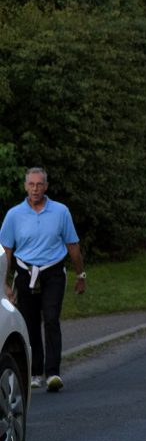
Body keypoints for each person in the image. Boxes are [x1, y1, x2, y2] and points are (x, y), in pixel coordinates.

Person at [1, 167, 86, 391]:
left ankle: (53, 373)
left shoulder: (60, 212)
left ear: (46, 187)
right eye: (31, 184)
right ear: (25, 187)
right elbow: (6, 251)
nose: (35, 189)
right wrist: (4, 283)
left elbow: (72, 245)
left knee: (50, 319)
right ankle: (35, 372)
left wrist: (81, 275)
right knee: (29, 323)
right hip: (24, 274)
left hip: (53, 273)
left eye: (39, 184)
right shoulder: (14, 215)